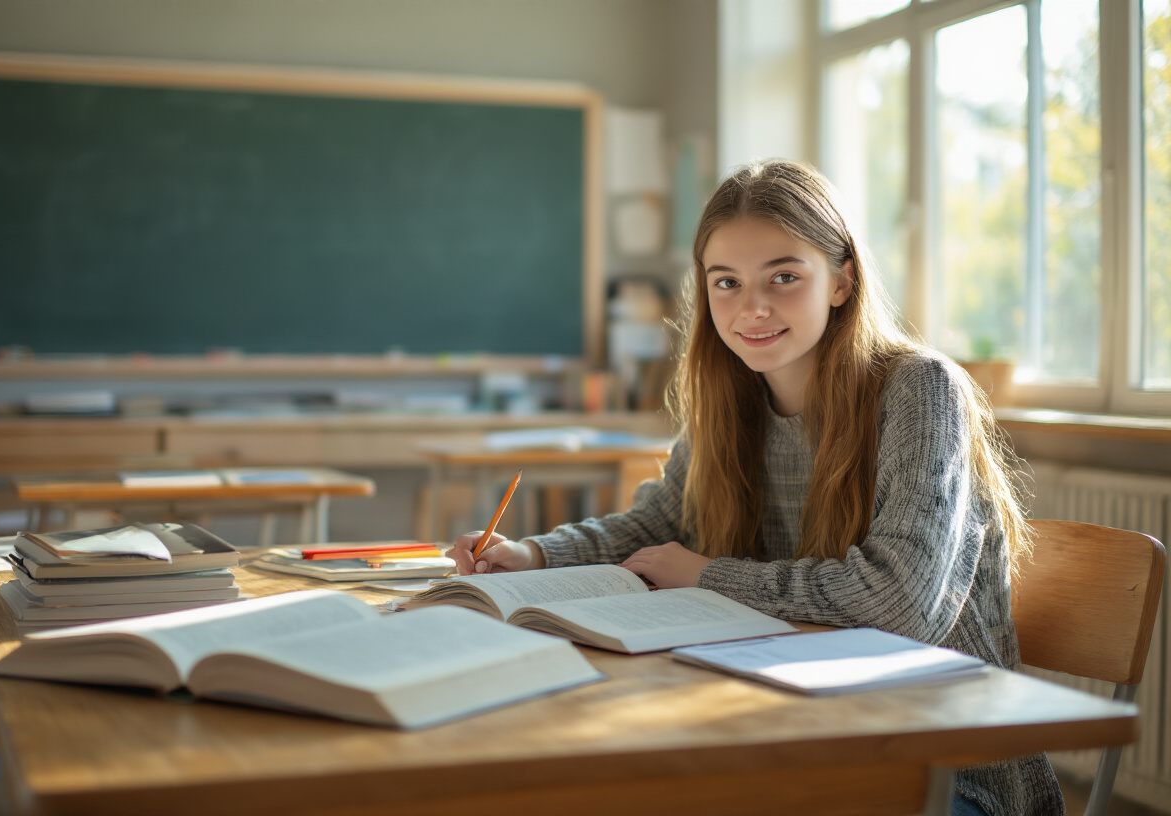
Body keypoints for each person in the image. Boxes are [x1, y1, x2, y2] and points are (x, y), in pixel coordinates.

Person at [449, 160, 1064, 816]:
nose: (753, 308)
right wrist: (534, 556)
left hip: (941, 763)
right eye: (727, 283)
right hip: (791, 729)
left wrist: (709, 576)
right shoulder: (730, 394)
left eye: (784, 277)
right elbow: (659, 524)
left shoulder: (919, 390)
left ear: (842, 279)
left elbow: (899, 604)